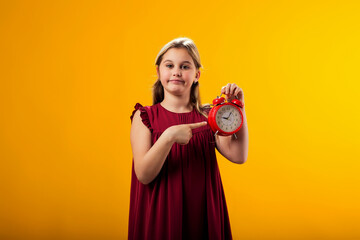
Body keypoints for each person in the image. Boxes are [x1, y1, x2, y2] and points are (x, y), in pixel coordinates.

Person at [128, 37, 249, 240]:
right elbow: (144, 174)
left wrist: (239, 109)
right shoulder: (145, 117)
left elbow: (238, 155)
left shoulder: (209, 116)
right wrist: (169, 136)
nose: (176, 71)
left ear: (196, 75)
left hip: (201, 213)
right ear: (159, 72)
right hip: (161, 214)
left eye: (185, 66)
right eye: (169, 65)